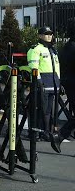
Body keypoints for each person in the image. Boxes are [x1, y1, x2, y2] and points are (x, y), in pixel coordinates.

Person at [27, 25, 60, 141]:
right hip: (43, 83)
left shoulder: (52, 49)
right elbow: (33, 67)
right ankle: (37, 132)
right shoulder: (35, 49)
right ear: (40, 36)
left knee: (48, 110)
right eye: (47, 34)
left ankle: (46, 131)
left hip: (53, 83)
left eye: (51, 34)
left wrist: (58, 82)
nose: (49, 36)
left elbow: (57, 68)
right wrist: (39, 82)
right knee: (40, 109)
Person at [51, 19, 75, 153]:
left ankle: (60, 137)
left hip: (68, 83)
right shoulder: (73, 47)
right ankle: (59, 136)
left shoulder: (66, 47)